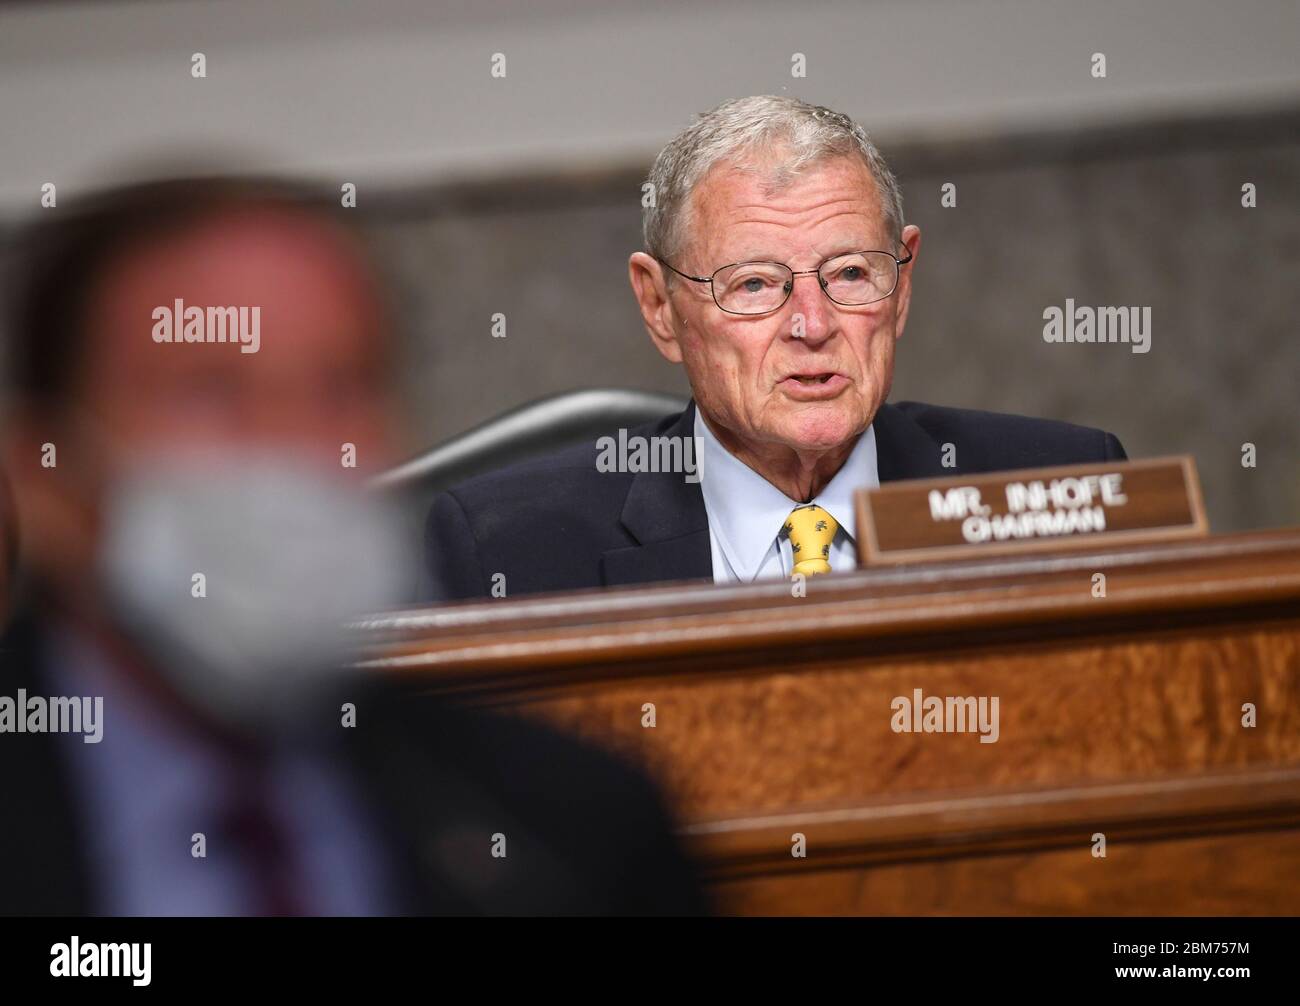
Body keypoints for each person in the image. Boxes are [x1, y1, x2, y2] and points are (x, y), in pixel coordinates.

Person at [0, 178, 703, 915]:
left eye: (341, 388)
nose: (292, 447)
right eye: (208, 393)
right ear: (45, 474)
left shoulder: (572, 830)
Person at [424, 95, 1126, 599]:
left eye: (851, 273)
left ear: (902, 285)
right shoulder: (510, 554)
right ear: (660, 306)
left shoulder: (1064, 488)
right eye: (756, 284)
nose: (812, 324)